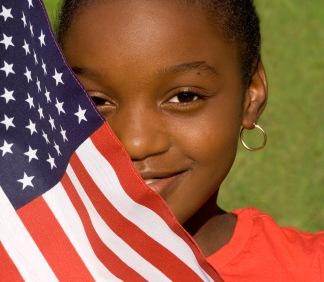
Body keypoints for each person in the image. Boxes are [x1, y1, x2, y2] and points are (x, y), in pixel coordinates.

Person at [56, 0, 324, 280]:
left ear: (251, 93)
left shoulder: (312, 269)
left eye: (184, 96)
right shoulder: (23, 262)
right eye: (94, 100)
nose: (135, 143)